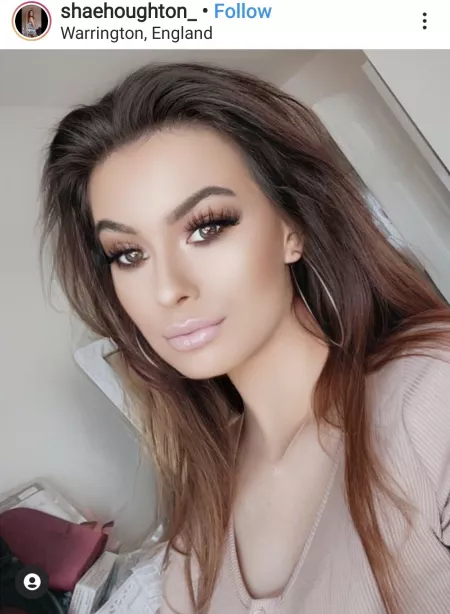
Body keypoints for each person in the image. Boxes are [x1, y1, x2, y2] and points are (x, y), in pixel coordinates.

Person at [40, 63, 450, 614]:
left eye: (207, 226)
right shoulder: (206, 492)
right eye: (128, 254)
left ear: (291, 227)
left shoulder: (432, 393)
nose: (168, 290)